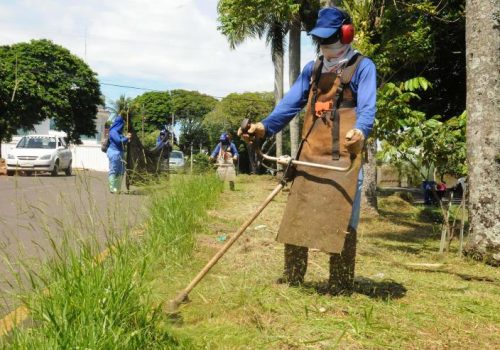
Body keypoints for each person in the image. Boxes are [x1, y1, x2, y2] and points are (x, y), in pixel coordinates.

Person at [239, 7, 376, 294]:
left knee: (343, 222)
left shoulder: (362, 67)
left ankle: (339, 285)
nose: (326, 46)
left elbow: (367, 108)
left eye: (331, 39)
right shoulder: (312, 70)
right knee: (297, 214)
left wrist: (360, 131)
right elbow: (289, 104)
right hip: (311, 154)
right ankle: (292, 278)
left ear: (346, 34)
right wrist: (264, 127)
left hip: (343, 161)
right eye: (321, 40)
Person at [106, 115, 131, 193]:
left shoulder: (120, 133)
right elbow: (118, 141)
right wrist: (126, 137)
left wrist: (127, 139)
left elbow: (122, 141)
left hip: (120, 153)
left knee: (121, 171)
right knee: (114, 170)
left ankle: (117, 188)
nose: (122, 126)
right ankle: (112, 188)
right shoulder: (113, 131)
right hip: (114, 152)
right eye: (122, 124)